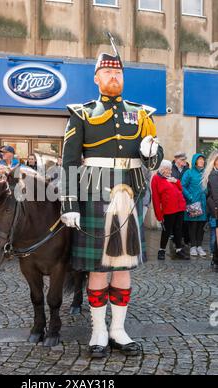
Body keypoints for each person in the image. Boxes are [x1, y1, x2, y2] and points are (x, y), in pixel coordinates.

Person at [60, 41, 163, 358]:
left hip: (129, 195)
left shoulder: (141, 114)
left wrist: (151, 154)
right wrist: (69, 205)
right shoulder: (82, 113)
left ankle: (118, 329)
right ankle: (98, 331)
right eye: (107, 71)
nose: (113, 77)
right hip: (94, 195)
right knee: (98, 269)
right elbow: (70, 163)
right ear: (96, 77)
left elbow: (154, 158)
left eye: (118, 72)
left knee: (122, 268)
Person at [151, 160, 189, 261]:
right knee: (166, 230)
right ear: (161, 169)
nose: (169, 171)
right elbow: (155, 198)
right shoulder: (156, 179)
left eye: (170, 169)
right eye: (167, 169)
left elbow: (180, 189)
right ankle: (161, 250)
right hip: (168, 209)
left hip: (180, 207)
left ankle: (178, 249)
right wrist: (159, 215)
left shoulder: (172, 178)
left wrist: (176, 181)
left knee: (178, 229)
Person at [182, 154, 207, 257]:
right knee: (193, 225)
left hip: (203, 203)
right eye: (199, 159)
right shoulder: (189, 173)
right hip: (193, 203)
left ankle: (199, 246)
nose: (201, 161)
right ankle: (193, 246)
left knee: (201, 226)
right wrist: (190, 197)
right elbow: (182, 186)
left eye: (202, 160)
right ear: (195, 161)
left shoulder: (206, 172)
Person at [203, 150, 218, 271]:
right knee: (215, 236)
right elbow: (215, 195)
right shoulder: (213, 175)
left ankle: (215, 258)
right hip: (216, 210)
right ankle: (215, 258)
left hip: (214, 208)